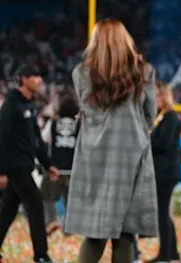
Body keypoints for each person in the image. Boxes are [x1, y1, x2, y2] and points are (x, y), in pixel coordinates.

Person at [65, 20, 159, 263]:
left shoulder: (81, 73)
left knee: (95, 234)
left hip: (93, 157)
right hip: (131, 155)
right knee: (125, 233)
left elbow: (86, 109)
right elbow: (150, 115)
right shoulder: (144, 71)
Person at [0, 63, 58, 263]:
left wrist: (47, 163)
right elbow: (2, 136)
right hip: (15, 166)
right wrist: (1, 171)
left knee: (8, 209)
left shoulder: (30, 104)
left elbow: (36, 138)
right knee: (35, 205)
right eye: (34, 76)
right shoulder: (12, 103)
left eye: (40, 76)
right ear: (23, 78)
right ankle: (41, 255)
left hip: (25, 163)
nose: (39, 80)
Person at [151, 81, 181, 262]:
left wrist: (146, 141)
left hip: (165, 173)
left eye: (156, 96)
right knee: (163, 214)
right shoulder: (161, 117)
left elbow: (164, 143)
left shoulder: (169, 117)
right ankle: (172, 253)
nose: (154, 99)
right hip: (162, 172)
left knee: (162, 214)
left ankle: (165, 254)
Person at [41, 93, 80, 234]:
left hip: (55, 169)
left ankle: (51, 222)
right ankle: (68, 228)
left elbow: (44, 140)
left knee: (48, 197)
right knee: (70, 201)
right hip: (73, 169)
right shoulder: (79, 125)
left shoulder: (53, 124)